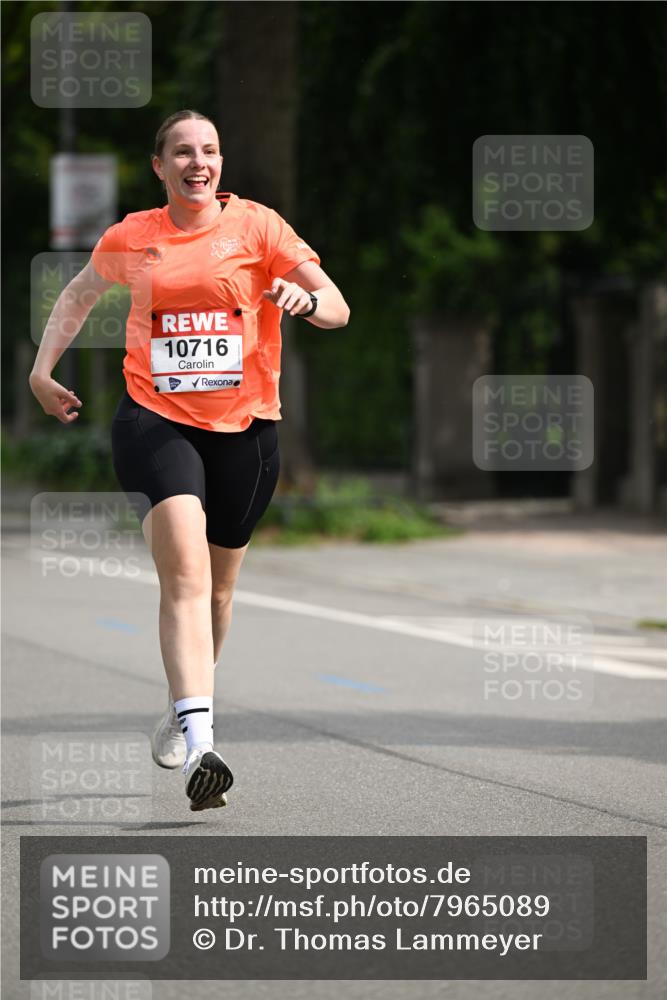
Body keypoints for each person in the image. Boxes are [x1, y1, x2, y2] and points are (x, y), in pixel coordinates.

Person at [29, 109, 350, 812]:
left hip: (247, 430)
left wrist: (305, 297)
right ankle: (203, 746)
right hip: (155, 420)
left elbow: (337, 307)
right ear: (159, 167)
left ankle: (181, 706)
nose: (196, 163)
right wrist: (42, 369)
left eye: (208, 150)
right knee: (185, 570)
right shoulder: (133, 236)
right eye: (181, 152)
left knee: (219, 593)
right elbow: (80, 295)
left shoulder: (259, 227)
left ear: (221, 163)